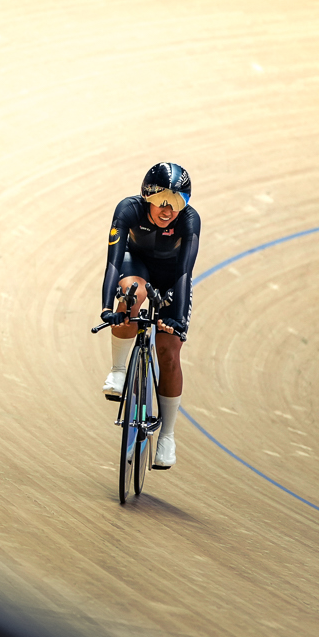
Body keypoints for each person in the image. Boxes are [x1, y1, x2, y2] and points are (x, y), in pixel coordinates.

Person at [98, 163, 198, 469]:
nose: (168, 210)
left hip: (171, 278)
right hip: (136, 265)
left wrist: (177, 318)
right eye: (162, 201)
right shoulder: (128, 210)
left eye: (177, 201)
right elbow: (113, 263)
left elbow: (185, 272)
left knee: (168, 352)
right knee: (132, 294)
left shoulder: (190, 221)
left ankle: (167, 435)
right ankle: (118, 370)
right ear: (147, 197)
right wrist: (106, 308)